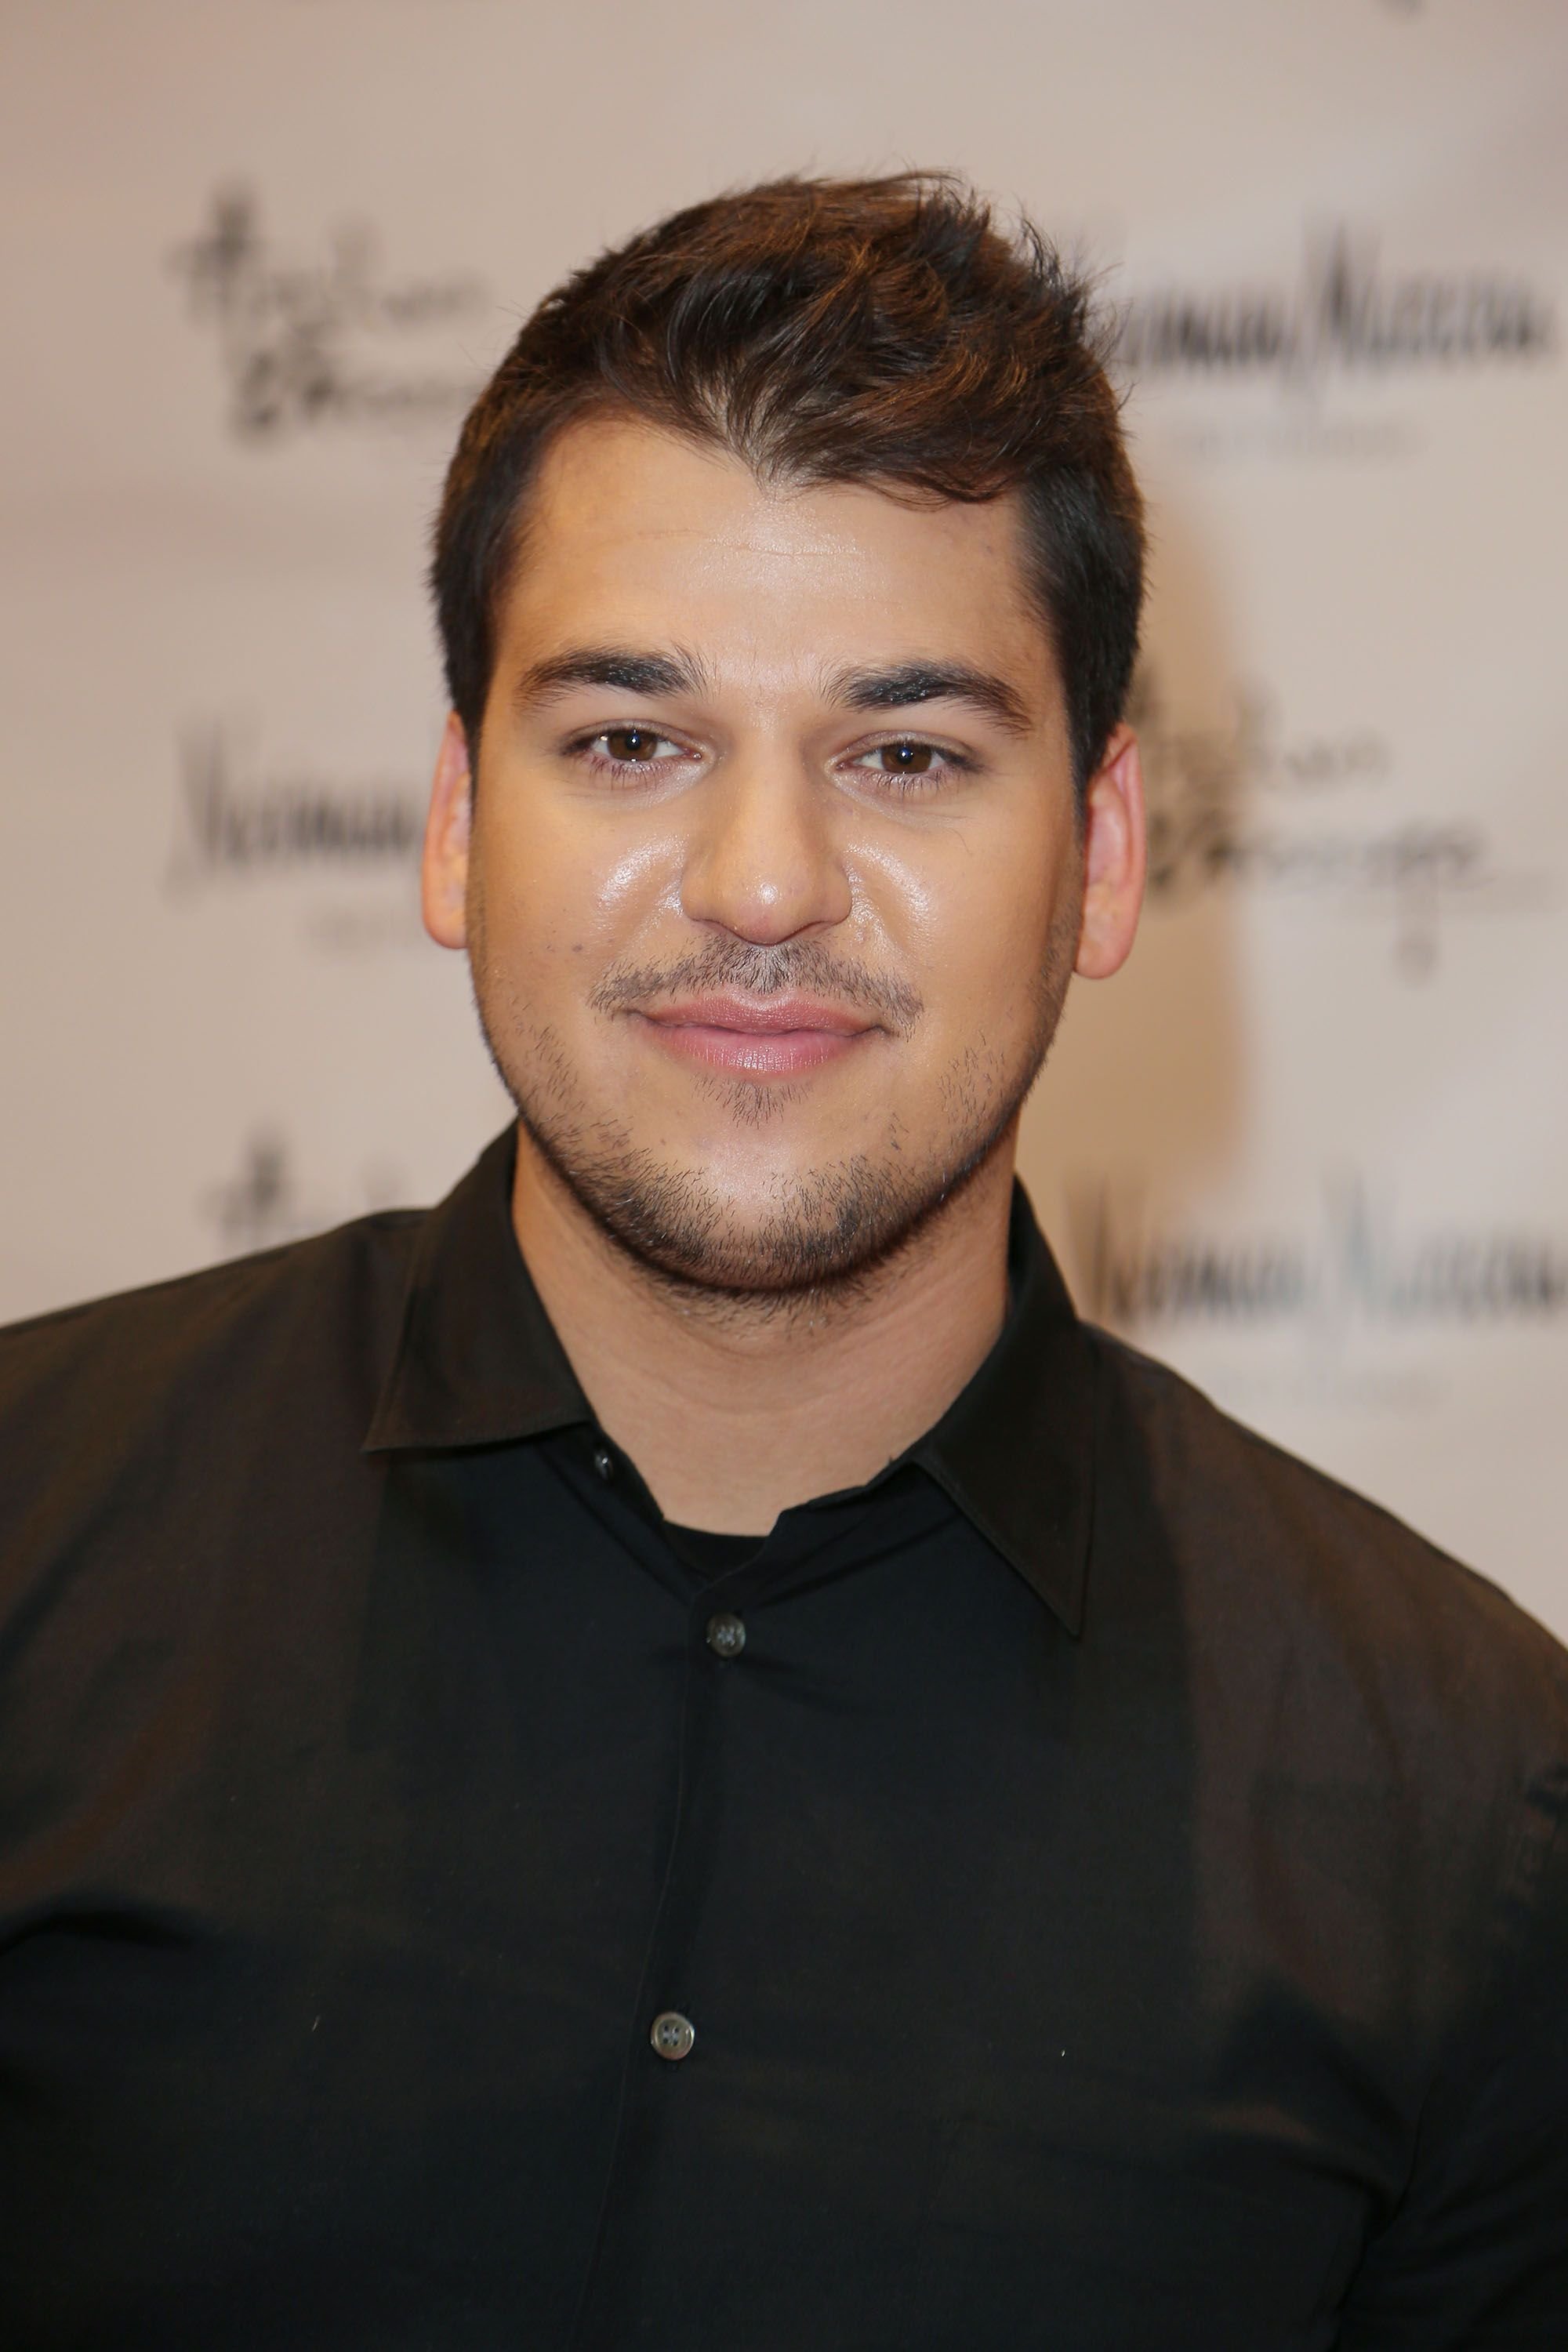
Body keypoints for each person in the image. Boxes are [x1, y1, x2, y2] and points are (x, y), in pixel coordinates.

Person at [0, 174, 1563, 2352]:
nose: (759, 881)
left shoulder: (1467, 1804)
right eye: (631, 740)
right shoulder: (30, 1541)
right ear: (457, 820)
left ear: (1102, 856)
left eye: (905, 755)